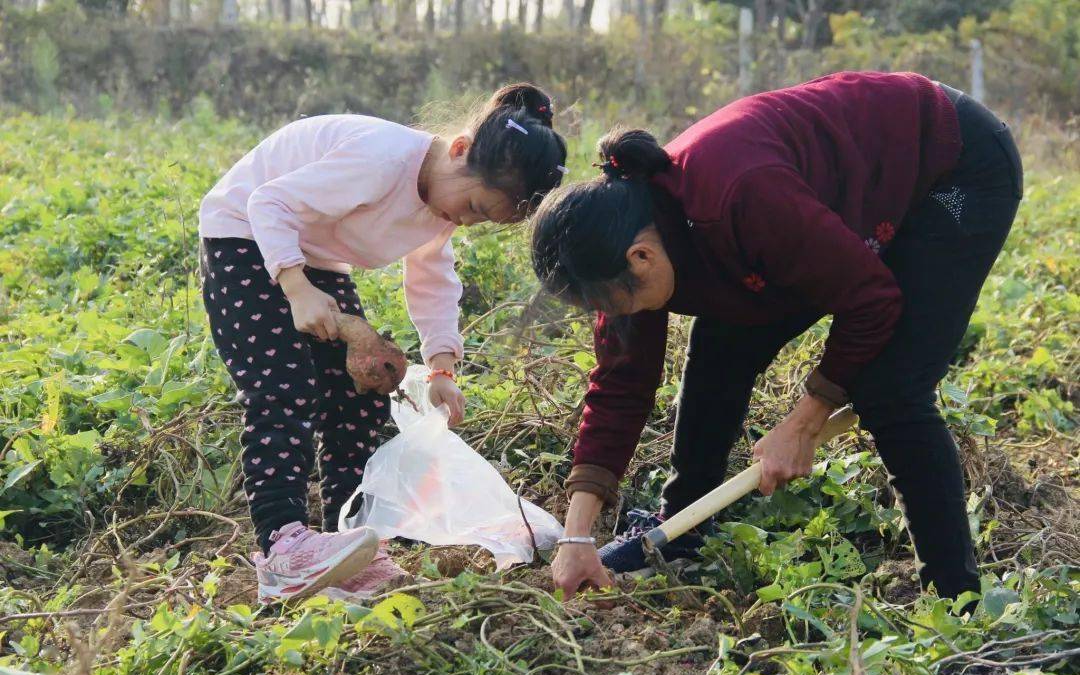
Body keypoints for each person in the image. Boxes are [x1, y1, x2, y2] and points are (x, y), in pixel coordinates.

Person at [530, 72, 1022, 600]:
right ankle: (682, 532)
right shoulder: (626, 237)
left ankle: (956, 600)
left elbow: (871, 301)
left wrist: (805, 422)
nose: (614, 315)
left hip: (953, 163)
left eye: (612, 304)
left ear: (642, 259)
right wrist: (576, 533)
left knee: (891, 389)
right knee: (721, 350)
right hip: (827, 206)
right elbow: (620, 386)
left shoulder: (741, 195)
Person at [199, 83, 567, 601]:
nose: (467, 220)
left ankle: (348, 545)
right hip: (243, 235)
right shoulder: (382, 158)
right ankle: (283, 548)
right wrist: (295, 286)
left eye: (484, 220)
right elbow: (270, 201)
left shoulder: (440, 209)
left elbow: (432, 278)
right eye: (475, 206)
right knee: (284, 388)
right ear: (459, 150)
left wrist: (441, 367)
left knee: (362, 391)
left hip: (313, 257)